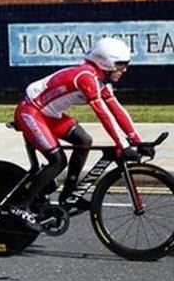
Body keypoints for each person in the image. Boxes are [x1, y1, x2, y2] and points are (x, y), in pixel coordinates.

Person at [9, 37, 143, 231]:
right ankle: (20, 206)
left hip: (49, 115)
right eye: (121, 65)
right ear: (106, 63)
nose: (125, 69)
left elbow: (116, 109)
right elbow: (103, 115)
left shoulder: (101, 80)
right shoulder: (86, 78)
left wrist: (137, 141)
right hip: (31, 112)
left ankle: (69, 194)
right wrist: (123, 145)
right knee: (57, 160)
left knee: (84, 141)